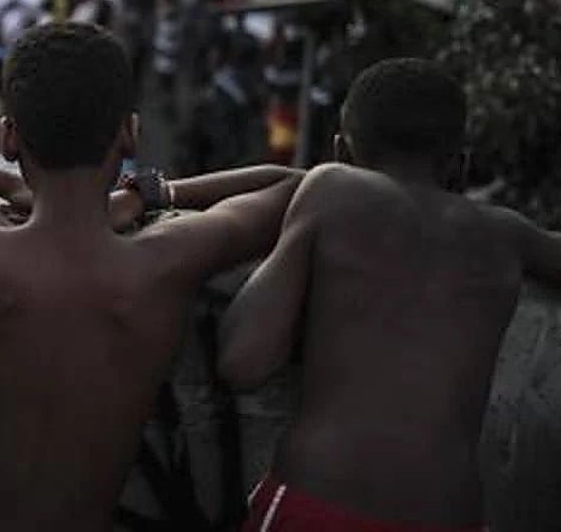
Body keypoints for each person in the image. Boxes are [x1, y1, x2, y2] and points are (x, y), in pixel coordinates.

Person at [0, 22, 303, 532]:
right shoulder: (165, 262)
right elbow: (293, 188)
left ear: (8, 137)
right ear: (131, 134)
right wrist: (146, 196)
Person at [219, 58, 561, 532]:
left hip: (314, 504)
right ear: (460, 167)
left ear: (340, 151)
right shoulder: (509, 236)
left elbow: (244, 360)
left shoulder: (329, 188)